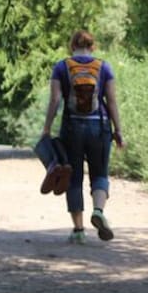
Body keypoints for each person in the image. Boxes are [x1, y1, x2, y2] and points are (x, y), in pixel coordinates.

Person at [40, 30, 125, 244]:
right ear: (92, 46)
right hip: (100, 126)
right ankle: (98, 211)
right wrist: (118, 130)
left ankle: (78, 230)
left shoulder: (61, 67)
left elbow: (55, 100)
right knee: (100, 174)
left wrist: (47, 128)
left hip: (72, 128)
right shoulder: (104, 67)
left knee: (73, 177)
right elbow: (112, 101)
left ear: (72, 46)